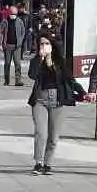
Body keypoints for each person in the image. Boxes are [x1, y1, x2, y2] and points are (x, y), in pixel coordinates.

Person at [27, 32, 81, 175]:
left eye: (47, 44)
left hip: (57, 100)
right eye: (42, 44)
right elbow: (32, 75)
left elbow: (70, 80)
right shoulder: (36, 61)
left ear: (52, 45)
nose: (44, 46)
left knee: (53, 136)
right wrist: (40, 58)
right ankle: (38, 162)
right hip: (40, 100)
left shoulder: (60, 61)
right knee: (41, 133)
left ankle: (48, 163)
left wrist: (83, 93)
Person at [2, 8, 29, 87]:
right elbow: (0, 30)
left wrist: (20, 41)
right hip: (8, 45)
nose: (12, 16)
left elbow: (23, 31)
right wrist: (2, 41)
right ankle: (7, 80)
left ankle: (18, 80)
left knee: (17, 63)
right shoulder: (5, 21)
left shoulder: (19, 21)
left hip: (17, 46)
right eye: (11, 14)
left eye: (14, 14)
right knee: (7, 63)